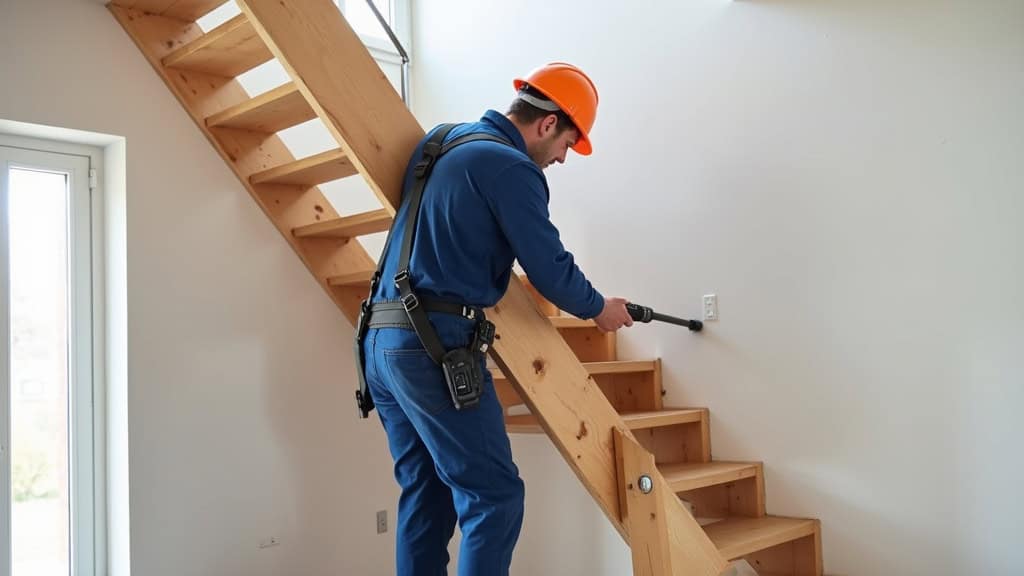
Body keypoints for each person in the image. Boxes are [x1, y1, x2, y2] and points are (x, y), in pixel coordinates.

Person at [358, 62, 633, 576]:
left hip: (381, 338)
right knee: (495, 497)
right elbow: (548, 266)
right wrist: (598, 308)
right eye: (568, 145)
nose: (562, 159)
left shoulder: (441, 141)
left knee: (427, 491)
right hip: (434, 344)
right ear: (548, 124)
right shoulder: (510, 167)